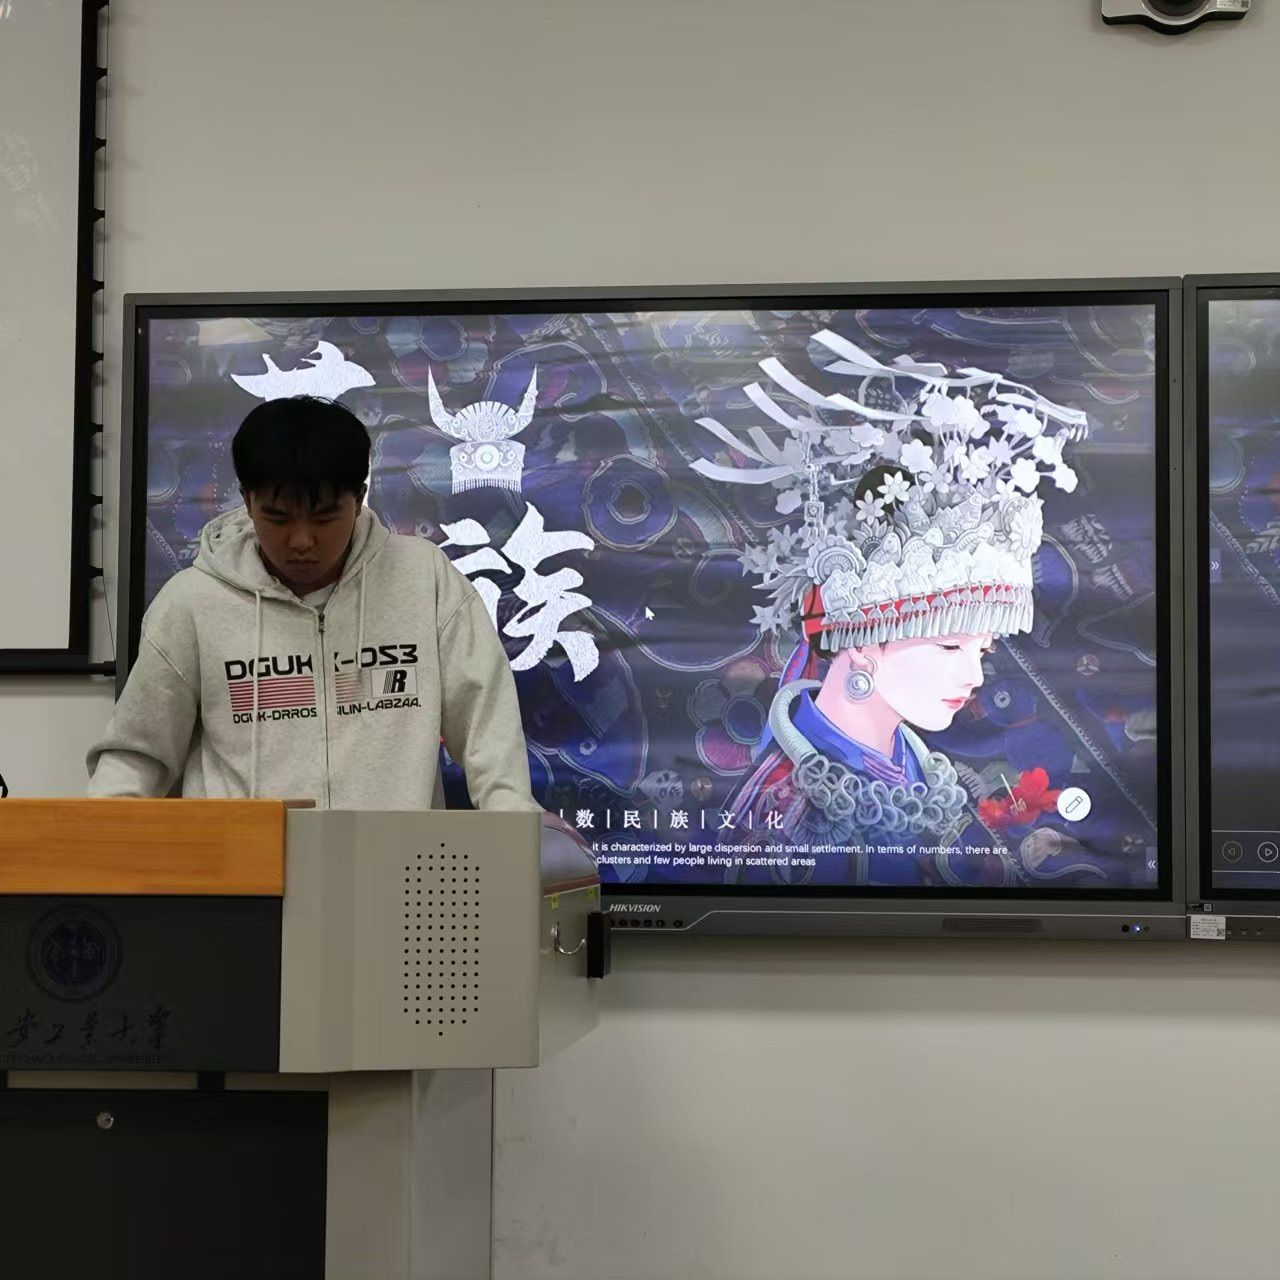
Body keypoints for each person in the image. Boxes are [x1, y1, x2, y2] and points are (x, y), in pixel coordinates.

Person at [692, 331, 1094, 885]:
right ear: (862, 641)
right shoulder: (787, 809)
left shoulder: (909, 759)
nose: (975, 675)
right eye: (949, 642)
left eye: (982, 650)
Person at [88, 395, 541, 813]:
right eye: (278, 517)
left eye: (324, 517)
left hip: (395, 867)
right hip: (243, 870)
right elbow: (135, 759)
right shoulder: (192, 604)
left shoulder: (423, 579)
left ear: (358, 499)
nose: (302, 541)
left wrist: (515, 836)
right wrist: (98, 849)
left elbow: (488, 729)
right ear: (247, 500)